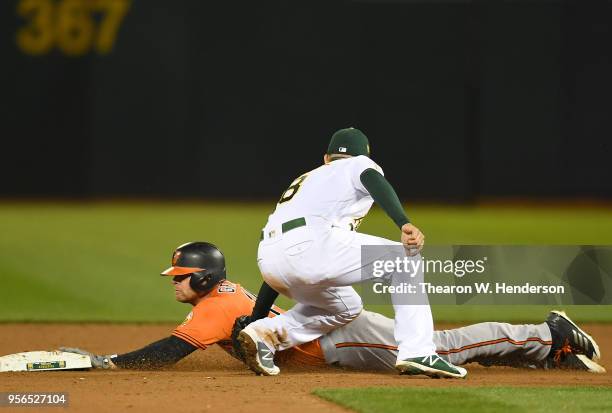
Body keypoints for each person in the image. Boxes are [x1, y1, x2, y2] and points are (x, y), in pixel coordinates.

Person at [60, 242, 605, 374]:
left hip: (335, 341)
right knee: (439, 345)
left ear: (202, 277)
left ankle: (544, 334)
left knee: (439, 347)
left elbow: (168, 352)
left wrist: (113, 366)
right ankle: (539, 349)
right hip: (326, 336)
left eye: (180, 277)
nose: (174, 283)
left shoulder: (213, 308)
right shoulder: (224, 296)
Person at [235, 127, 466, 378]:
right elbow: (373, 179)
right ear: (363, 156)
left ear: (326, 158)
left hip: (269, 259)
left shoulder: (307, 180)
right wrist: (403, 222)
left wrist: (256, 316)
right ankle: (418, 351)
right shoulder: (358, 165)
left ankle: (263, 333)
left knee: (345, 306)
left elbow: (287, 255)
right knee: (405, 259)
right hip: (312, 246)